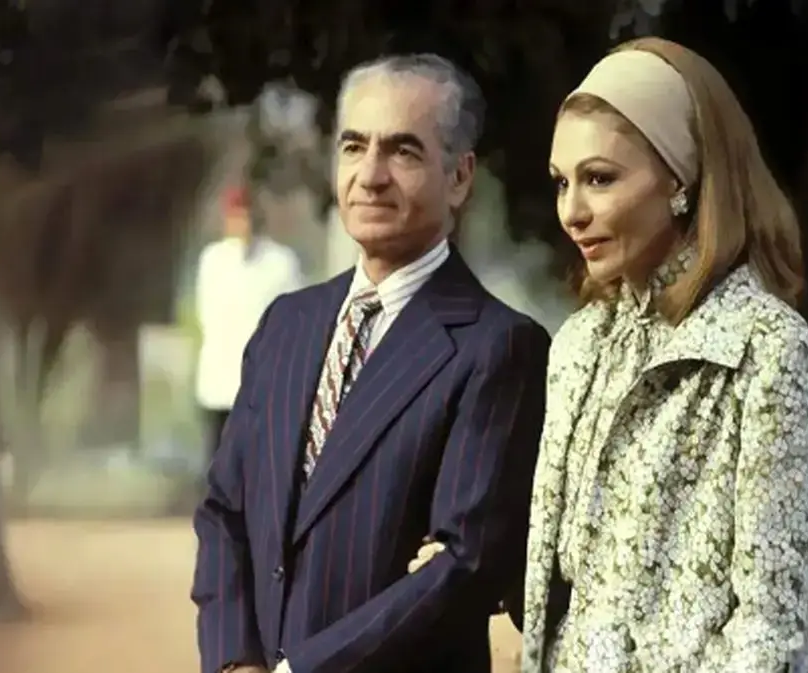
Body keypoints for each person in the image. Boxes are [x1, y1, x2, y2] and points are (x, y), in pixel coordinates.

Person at [411, 37, 808, 672]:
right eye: (562, 183)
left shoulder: (772, 355)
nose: (571, 212)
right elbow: (577, 596)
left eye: (599, 179)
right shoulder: (580, 345)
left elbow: (776, 638)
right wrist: (487, 579)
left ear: (681, 179)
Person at [191, 53, 551, 673]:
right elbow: (226, 509)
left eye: (403, 151)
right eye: (354, 146)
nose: (371, 175)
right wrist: (233, 661)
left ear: (459, 177)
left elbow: (461, 564)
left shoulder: (499, 348)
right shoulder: (285, 325)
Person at [193, 185, 305, 461]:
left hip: (265, 386)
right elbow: (206, 315)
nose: (241, 225)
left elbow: (297, 319)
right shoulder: (213, 260)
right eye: (235, 217)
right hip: (219, 383)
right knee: (219, 462)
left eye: (245, 216)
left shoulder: (280, 262)